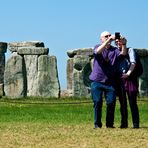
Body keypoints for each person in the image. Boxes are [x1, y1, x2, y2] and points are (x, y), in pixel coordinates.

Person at [89, 31, 126, 129]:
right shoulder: (97, 46)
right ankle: (97, 124)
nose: (109, 37)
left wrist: (124, 44)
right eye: (106, 36)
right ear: (101, 39)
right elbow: (97, 52)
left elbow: (123, 53)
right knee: (97, 102)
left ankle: (109, 124)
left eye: (110, 36)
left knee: (111, 102)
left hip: (110, 82)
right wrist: (108, 41)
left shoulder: (114, 50)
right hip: (97, 81)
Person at [115, 35, 140, 129]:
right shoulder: (116, 51)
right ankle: (124, 123)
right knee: (123, 103)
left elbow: (133, 62)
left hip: (130, 79)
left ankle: (136, 124)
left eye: (119, 41)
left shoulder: (130, 50)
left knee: (132, 102)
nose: (118, 43)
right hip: (120, 79)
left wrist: (128, 73)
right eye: (116, 42)